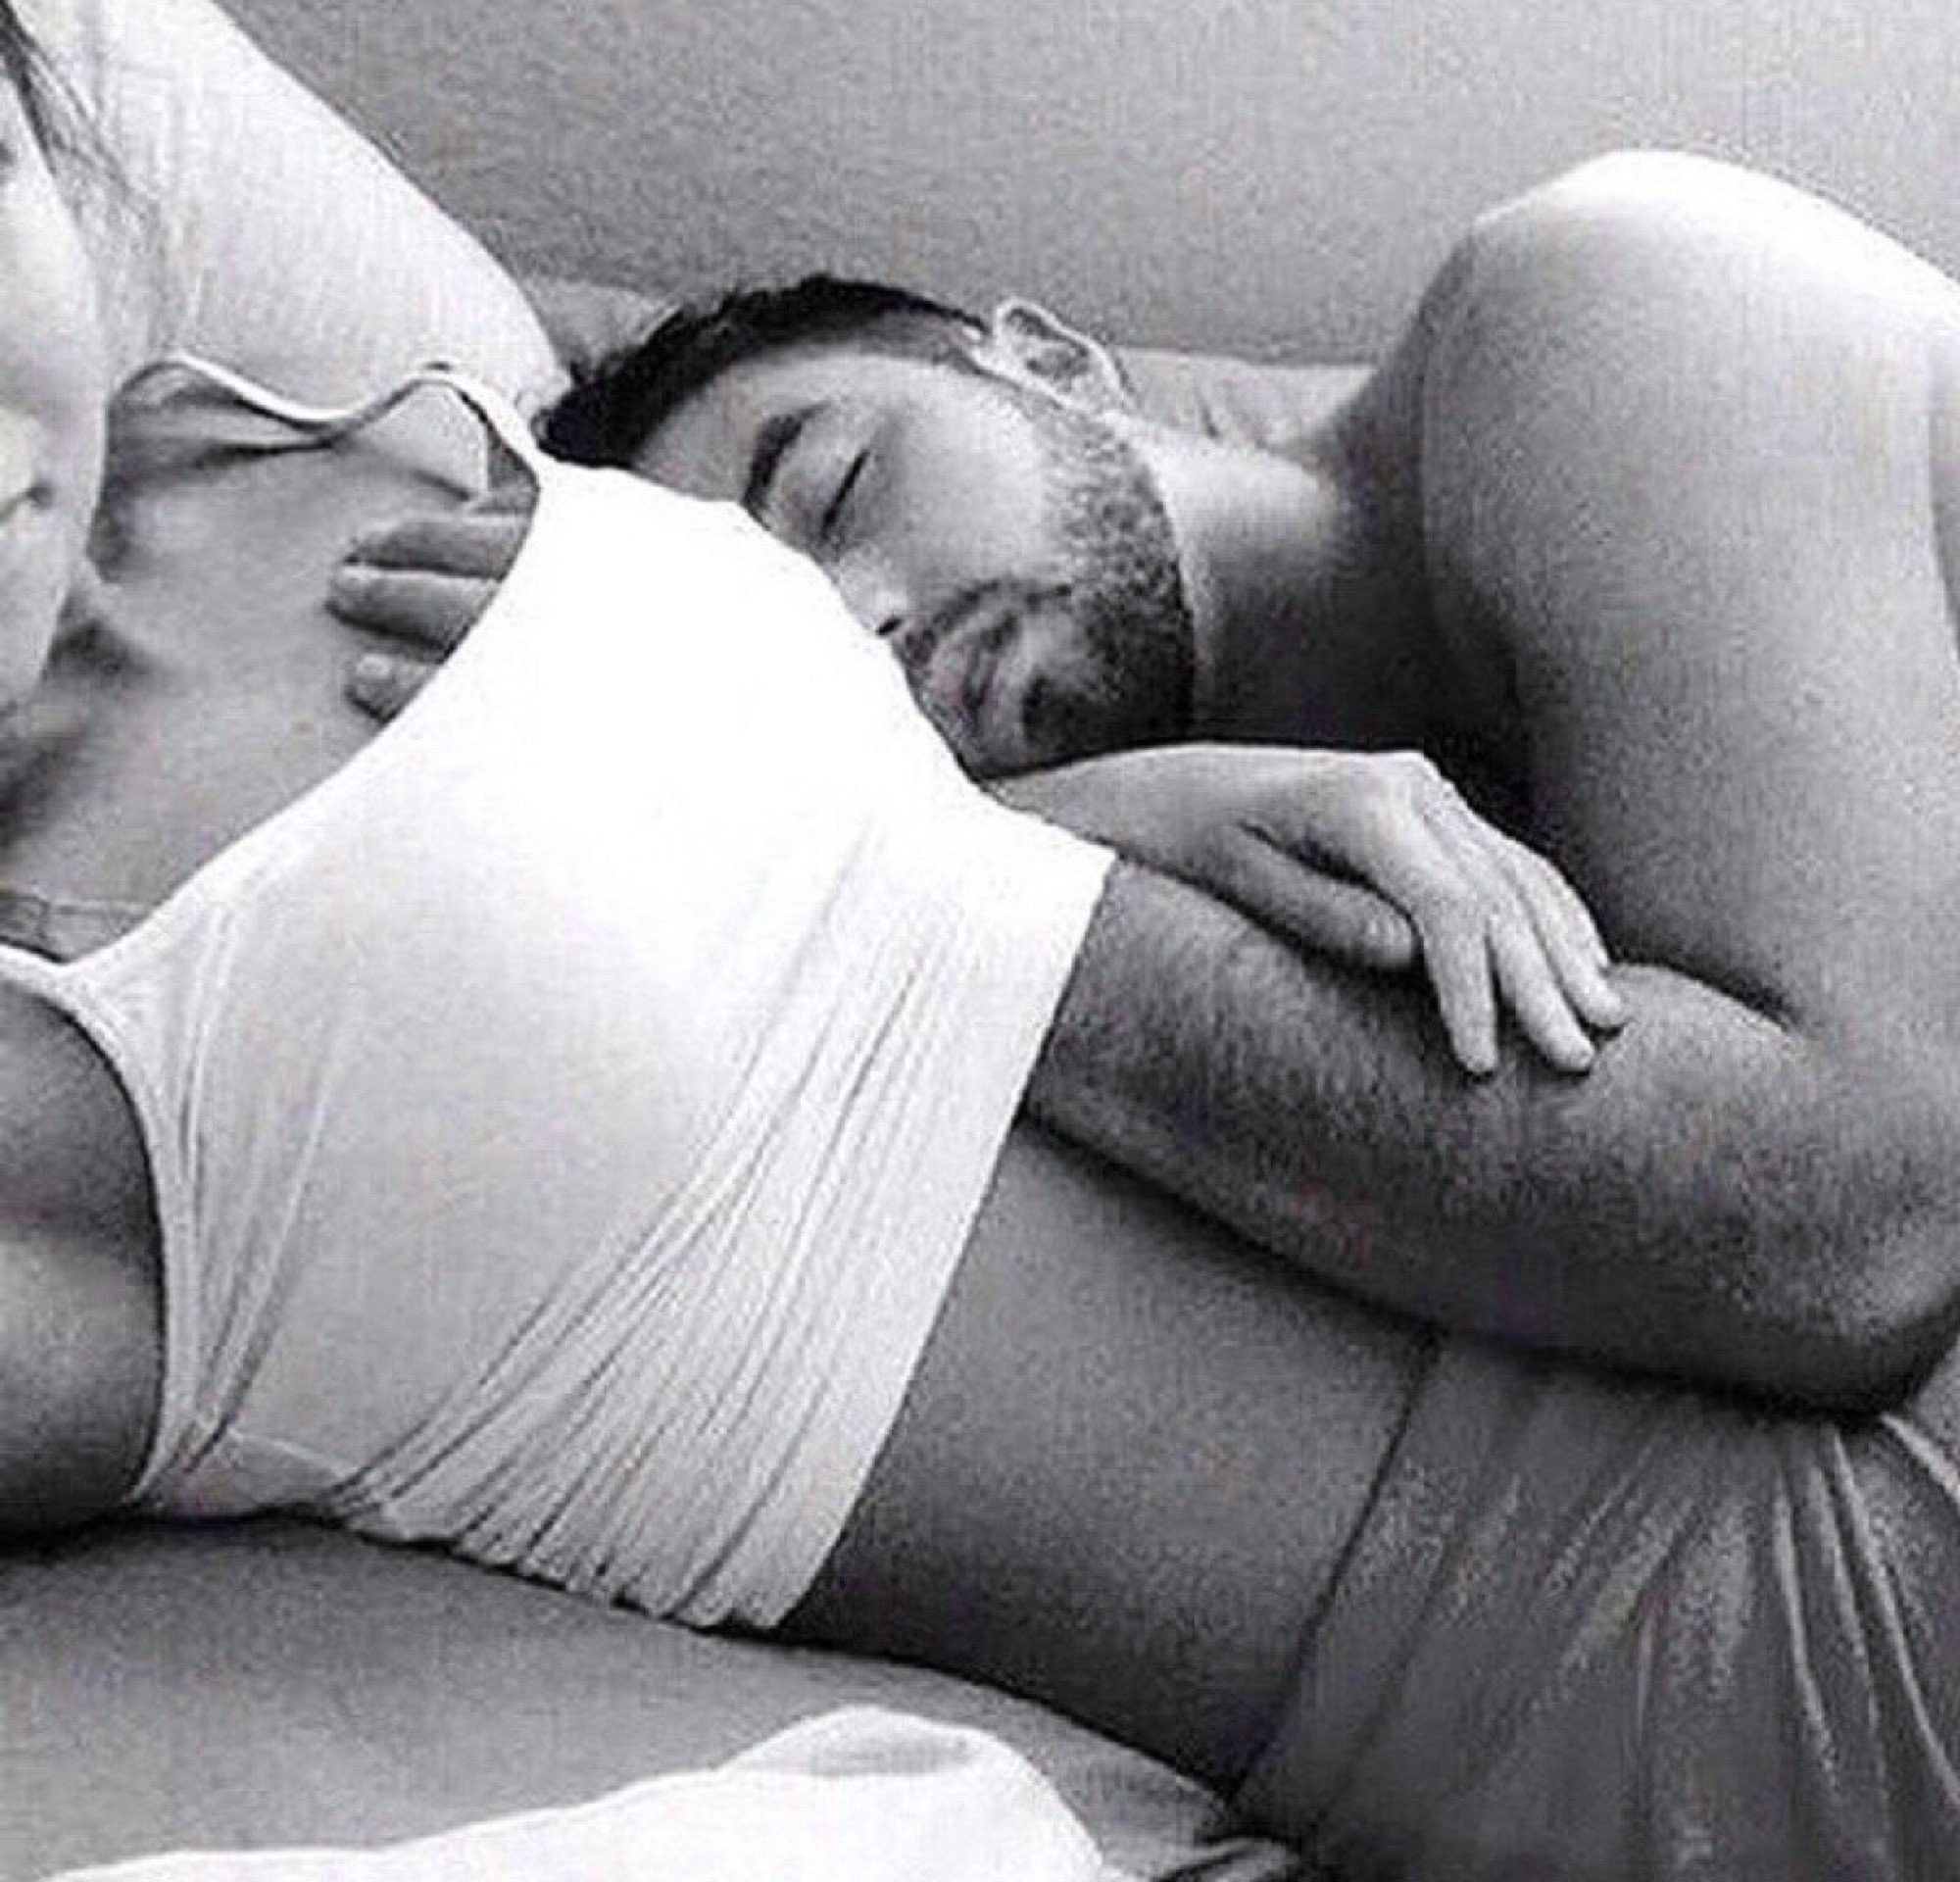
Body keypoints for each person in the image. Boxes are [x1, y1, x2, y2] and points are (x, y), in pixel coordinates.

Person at [3, 5, 1958, 1865]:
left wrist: (914, 851)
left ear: (1038, 355)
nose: (866, 632)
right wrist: (971, 835)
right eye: (797, 635)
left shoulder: (1614, 307)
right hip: (1672, 1668)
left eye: (836, 479)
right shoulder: (1041, 817)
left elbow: (1844, 1217)